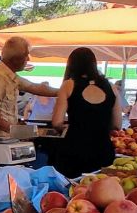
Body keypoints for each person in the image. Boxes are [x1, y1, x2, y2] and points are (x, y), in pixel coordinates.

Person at [51, 48, 120, 178]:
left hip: (74, 150)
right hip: (103, 150)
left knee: (73, 192)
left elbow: (56, 122)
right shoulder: (112, 87)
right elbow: (117, 124)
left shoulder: (68, 85)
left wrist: (64, 127)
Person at [0, 37, 58, 137]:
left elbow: (35, 87)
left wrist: (63, 91)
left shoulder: (10, 76)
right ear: (15, 59)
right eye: (26, 55)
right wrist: (14, 130)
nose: (28, 59)